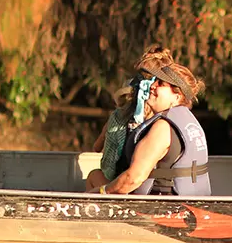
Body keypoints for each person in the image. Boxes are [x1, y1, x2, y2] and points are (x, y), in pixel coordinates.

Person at [86, 47, 211, 196]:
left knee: (95, 177)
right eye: (155, 81)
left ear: (177, 97)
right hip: (187, 206)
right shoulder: (188, 122)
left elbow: (133, 178)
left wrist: (101, 191)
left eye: (161, 84)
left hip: (159, 210)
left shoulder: (163, 127)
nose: (152, 86)